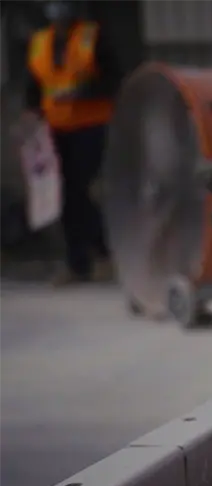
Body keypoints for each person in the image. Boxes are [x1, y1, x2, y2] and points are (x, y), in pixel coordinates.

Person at [23, 0, 120, 285]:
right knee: (65, 196)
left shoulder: (92, 37)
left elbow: (113, 80)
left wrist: (83, 92)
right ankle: (80, 263)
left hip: (90, 126)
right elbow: (35, 85)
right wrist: (30, 113)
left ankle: (100, 255)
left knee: (79, 190)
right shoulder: (40, 42)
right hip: (54, 129)